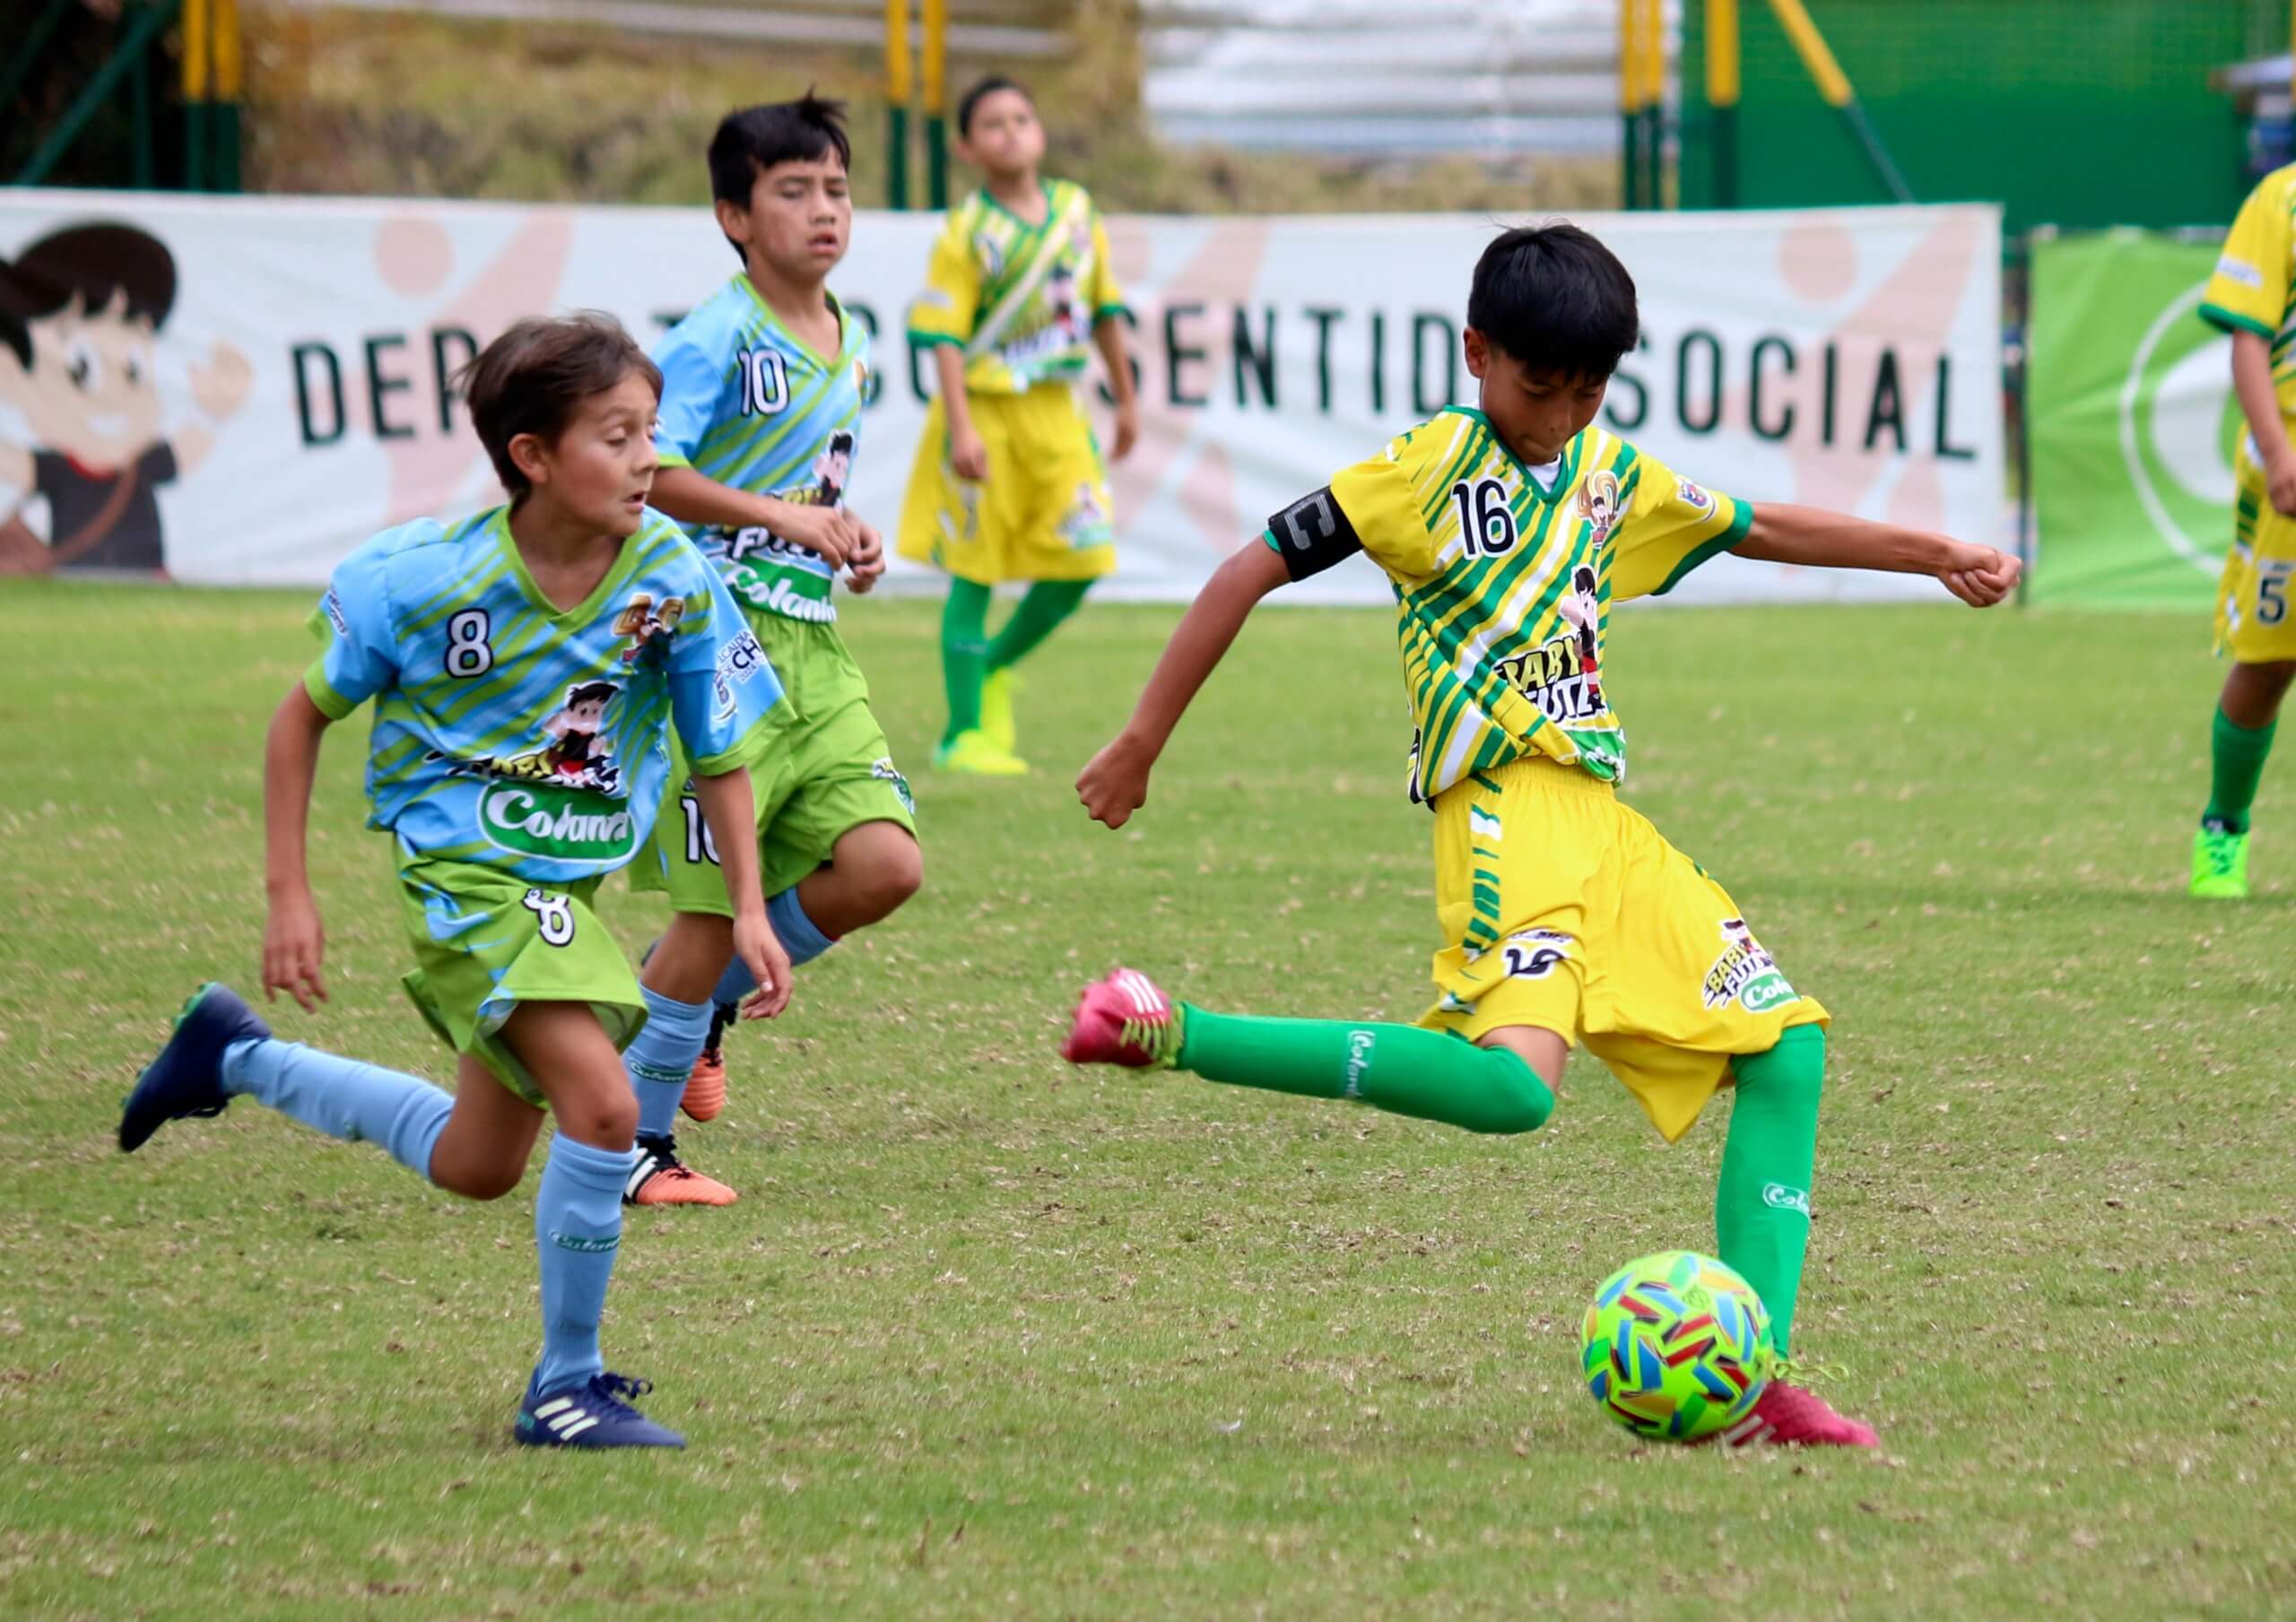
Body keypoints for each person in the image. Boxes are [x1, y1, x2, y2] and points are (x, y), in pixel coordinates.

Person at [1063, 223, 2022, 1448]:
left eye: (1588, 390)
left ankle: (1753, 1381)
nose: (1561, 414)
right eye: (1538, 386)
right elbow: (1248, 569)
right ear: (1476, 353)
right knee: (1513, 1095)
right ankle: (1172, 1028)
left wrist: (1935, 551)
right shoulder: (1424, 471)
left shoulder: (1613, 480)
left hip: (1607, 830)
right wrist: (1143, 740)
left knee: (1787, 1051)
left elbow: (1760, 527)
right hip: (1505, 816)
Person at [117, 314, 787, 1449]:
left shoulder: (670, 575)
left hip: (561, 896)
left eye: (651, 435)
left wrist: (752, 910)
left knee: (475, 1166)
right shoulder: (429, 580)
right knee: (610, 1106)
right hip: (468, 878)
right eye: (616, 437)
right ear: (531, 456)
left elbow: (718, 753)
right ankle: (564, 1386)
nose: (645, 462)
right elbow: (301, 718)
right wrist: (291, 891)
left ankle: (232, 1055)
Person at [622, 95, 923, 1204]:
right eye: (792, 190)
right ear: (733, 216)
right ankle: (631, 1151)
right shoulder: (714, 336)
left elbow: (802, 498)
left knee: (885, 863)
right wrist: (788, 518)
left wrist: (838, 542)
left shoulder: (846, 337)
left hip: (811, 642)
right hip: (715, 650)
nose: (822, 209)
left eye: (836, 188)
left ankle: (697, 1009)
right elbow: (648, 475)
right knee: (706, 915)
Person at [896, 74, 1139, 775]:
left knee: (1084, 558)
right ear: (966, 147)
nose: (1011, 131)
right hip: (987, 411)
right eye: (993, 124)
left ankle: (995, 665)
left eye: (1022, 117)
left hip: (1060, 413)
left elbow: (1103, 309)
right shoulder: (967, 229)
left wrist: (1125, 399)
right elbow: (943, 331)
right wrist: (961, 427)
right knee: (975, 572)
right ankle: (963, 732)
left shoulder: (1076, 210)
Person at [2188, 166, 2296, 898]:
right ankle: (2224, 827)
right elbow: (2248, 337)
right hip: (2293, 458)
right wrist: (2279, 453)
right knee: (2270, 659)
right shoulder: (2282, 198)